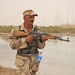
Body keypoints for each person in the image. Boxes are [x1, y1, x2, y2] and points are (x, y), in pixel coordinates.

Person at [9, 10, 49, 75]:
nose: (32, 19)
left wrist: (42, 40)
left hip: (34, 62)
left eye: (33, 17)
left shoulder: (38, 30)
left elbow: (41, 47)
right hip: (22, 61)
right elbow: (12, 46)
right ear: (24, 18)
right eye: (30, 17)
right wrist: (25, 40)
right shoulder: (16, 30)